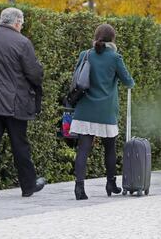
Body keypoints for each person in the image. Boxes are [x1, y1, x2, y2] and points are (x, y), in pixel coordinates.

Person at [0, 7, 46, 200]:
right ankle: (28, 185)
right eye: (21, 23)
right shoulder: (22, 42)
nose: (21, 27)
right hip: (14, 102)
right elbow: (34, 73)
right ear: (16, 22)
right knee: (19, 144)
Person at [70, 23, 135, 200]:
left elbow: (76, 78)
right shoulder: (115, 57)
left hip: (84, 109)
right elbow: (129, 82)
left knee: (83, 150)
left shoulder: (85, 54)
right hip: (106, 111)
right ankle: (111, 183)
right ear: (112, 39)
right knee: (110, 150)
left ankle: (79, 188)